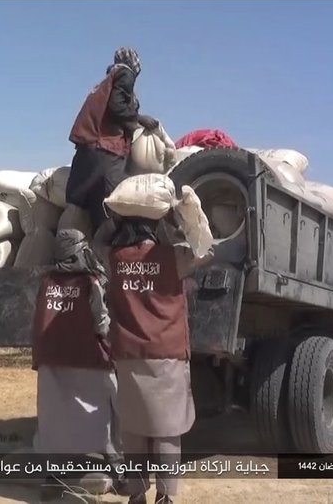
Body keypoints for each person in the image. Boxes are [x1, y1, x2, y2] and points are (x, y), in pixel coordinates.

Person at [102, 215, 213, 504]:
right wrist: (173, 223)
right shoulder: (172, 256)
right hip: (167, 354)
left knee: (134, 429)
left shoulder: (115, 258)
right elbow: (207, 249)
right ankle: (165, 496)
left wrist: (112, 224)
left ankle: (137, 494)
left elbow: (94, 244)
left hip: (129, 354)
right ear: (154, 229)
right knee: (167, 429)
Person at [30, 229, 124, 501]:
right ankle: (117, 467)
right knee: (107, 409)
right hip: (87, 357)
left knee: (54, 416)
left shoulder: (47, 280)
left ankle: (51, 477)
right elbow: (101, 322)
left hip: (51, 358)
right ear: (79, 250)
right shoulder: (91, 281)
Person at [67, 47, 160, 233]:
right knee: (121, 200)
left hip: (87, 150)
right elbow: (117, 107)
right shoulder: (125, 73)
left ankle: (75, 251)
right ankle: (121, 249)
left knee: (84, 205)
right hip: (106, 149)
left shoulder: (106, 81)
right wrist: (140, 119)